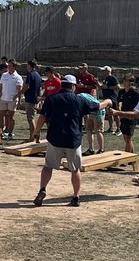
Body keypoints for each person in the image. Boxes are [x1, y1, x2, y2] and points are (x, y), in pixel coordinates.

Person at [34, 74, 112, 207]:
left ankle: (42, 189)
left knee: (48, 167)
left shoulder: (52, 99)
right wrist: (108, 102)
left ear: (62, 85)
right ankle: (76, 197)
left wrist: (36, 131)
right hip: (73, 139)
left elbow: (42, 116)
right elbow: (97, 107)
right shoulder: (79, 100)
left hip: (55, 138)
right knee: (75, 169)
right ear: (73, 86)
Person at [0, 59, 24, 140]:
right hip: (3, 99)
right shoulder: (4, 75)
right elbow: (0, 85)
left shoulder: (18, 77)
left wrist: (18, 100)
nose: (8, 67)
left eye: (10, 65)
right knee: (0, 115)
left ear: (14, 67)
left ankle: (10, 133)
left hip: (12, 100)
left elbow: (19, 90)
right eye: (8, 65)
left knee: (10, 117)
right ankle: (0, 132)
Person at [116, 74, 139, 154]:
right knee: (126, 138)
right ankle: (132, 155)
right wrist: (119, 110)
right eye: (124, 80)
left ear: (131, 82)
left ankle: (126, 157)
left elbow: (138, 105)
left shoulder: (135, 93)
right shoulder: (121, 92)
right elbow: (118, 101)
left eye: (126, 80)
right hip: (123, 116)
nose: (124, 82)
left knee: (128, 138)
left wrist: (133, 114)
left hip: (131, 117)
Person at [23, 60, 43, 139]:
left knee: (30, 119)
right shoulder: (38, 75)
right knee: (32, 118)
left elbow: (27, 86)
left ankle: (33, 137)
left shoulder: (30, 74)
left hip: (30, 99)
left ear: (29, 65)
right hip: (35, 99)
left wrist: (20, 92)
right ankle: (34, 135)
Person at [101, 66, 120, 134]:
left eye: (104, 71)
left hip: (113, 98)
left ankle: (118, 128)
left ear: (108, 71)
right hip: (107, 98)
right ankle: (111, 128)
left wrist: (108, 87)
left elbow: (118, 87)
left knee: (116, 114)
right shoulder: (105, 79)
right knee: (109, 113)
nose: (102, 72)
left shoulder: (113, 78)